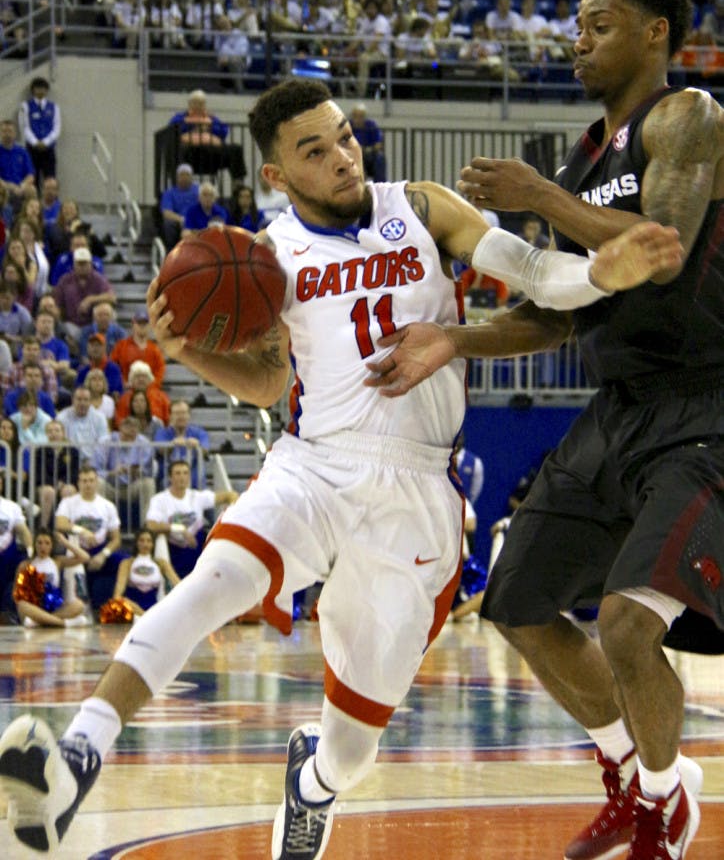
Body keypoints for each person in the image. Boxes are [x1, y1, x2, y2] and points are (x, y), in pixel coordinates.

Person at [0, 77, 683, 859]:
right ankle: (72, 760)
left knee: (353, 748)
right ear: (276, 174)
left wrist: (598, 274)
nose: (342, 157)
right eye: (315, 151)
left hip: (417, 496)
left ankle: (316, 782)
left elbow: (529, 269)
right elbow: (268, 383)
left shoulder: (420, 208)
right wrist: (188, 353)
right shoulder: (267, 256)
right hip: (313, 468)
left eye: (345, 138)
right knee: (208, 587)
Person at [364, 0, 722, 860]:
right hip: (616, 410)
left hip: (703, 409)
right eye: (577, 26)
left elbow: (664, 248)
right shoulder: (582, 157)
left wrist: (538, 198)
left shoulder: (688, 117)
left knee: (631, 626)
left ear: (654, 33)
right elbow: (559, 313)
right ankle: (637, 776)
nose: (579, 41)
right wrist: (451, 340)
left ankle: (661, 813)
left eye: (600, 25)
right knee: (516, 601)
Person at [146, 459, 237, 579]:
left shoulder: (196, 496)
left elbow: (231, 495)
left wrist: (231, 510)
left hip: (195, 550)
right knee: (160, 539)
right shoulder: (159, 499)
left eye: (185, 473)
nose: (182, 477)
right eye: (177, 473)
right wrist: (179, 528)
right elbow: (151, 525)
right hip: (173, 552)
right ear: (170, 477)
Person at [54, 465, 124, 611]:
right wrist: (81, 531)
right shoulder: (68, 503)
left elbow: (116, 539)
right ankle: (59, 606)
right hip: (75, 550)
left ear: (97, 482)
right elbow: (60, 524)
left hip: (99, 549)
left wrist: (103, 555)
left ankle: (116, 605)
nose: (88, 484)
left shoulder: (107, 506)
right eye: (84, 481)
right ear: (78, 483)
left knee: (125, 562)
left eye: (91, 480)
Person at [14, 529, 90, 628]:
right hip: (34, 607)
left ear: (52, 546)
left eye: (47, 543)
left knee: (79, 605)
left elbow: (85, 557)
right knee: (22, 605)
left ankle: (39, 622)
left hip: (54, 606)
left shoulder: (57, 562)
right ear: (34, 544)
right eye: (39, 543)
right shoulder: (25, 565)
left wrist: (64, 542)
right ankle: (64, 623)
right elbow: (16, 593)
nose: (43, 547)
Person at [168, 89, 246, 182]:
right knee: (177, 151)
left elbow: (223, 131)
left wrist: (209, 127)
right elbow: (173, 128)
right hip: (190, 152)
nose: (198, 106)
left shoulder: (211, 118)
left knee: (235, 149)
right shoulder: (180, 117)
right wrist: (193, 126)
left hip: (210, 152)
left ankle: (238, 184)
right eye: (195, 103)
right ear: (189, 104)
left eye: (201, 103)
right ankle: (180, 183)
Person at [95, 415, 155, 532]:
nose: (129, 440)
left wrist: (136, 472)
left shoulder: (143, 443)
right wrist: (112, 473)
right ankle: (101, 529)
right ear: (120, 429)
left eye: (132, 437)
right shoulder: (106, 441)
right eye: (126, 436)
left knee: (148, 483)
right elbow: (95, 469)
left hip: (132, 485)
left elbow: (149, 470)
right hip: (110, 485)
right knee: (98, 482)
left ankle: (147, 530)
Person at [53, 246, 117, 344]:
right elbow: (57, 302)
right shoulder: (65, 280)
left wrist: (90, 299)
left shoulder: (98, 279)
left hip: (94, 325)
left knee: (108, 310)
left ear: (90, 264)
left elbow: (112, 297)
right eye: (79, 263)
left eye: (85, 263)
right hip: (71, 324)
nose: (82, 266)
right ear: (74, 264)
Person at [110, 527, 180, 616]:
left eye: (149, 541)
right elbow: (117, 595)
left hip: (154, 610)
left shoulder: (161, 563)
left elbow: (179, 585)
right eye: (141, 540)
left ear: (153, 544)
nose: (145, 544)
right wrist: (142, 613)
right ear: (136, 543)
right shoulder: (126, 563)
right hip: (133, 610)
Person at [34, 418, 80, 531]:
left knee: (68, 490)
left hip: (66, 484)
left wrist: (63, 482)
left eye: (57, 430)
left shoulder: (73, 451)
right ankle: (43, 528)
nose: (53, 434)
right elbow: (39, 473)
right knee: (49, 491)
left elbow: (74, 472)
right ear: (46, 434)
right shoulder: (40, 451)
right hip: (46, 484)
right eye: (50, 431)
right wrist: (54, 483)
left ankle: (67, 529)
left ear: (63, 433)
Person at [153, 397, 209, 488]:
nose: (181, 416)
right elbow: (160, 450)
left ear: (189, 415)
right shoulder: (162, 432)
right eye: (177, 413)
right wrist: (172, 445)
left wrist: (197, 445)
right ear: (170, 416)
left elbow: (205, 450)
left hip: (195, 482)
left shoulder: (199, 432)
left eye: (184, 413)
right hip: (168, 482)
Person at [18, 77, 62, 184]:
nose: (40, 90)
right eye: (38, 88)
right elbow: (24, 127)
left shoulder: (54, 107)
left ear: (47, 90)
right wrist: (35, 142)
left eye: (43, 88)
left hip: (49, 149)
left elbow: (57, 127)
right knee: (33, 180)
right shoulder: (25, 106)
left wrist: (46, 142)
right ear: (33, 90)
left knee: (50, 179)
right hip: (32, 149)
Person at [110, 307, 165, 387]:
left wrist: (151, 386)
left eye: (145, 324)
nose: (142, 326)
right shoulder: (121, 346)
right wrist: (123, 383)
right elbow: (113, 366)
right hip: (126, 389)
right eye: (139, 323)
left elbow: (160, 371)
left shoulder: (155, 350)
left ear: (149, 326)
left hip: (149, 390)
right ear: (133, 325)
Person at [57, 385, 110, 465]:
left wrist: (92, 463)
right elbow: (60, 443)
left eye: (86, 400)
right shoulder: (62, 417)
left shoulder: (100, 418)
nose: (82, 403)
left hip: (94, 464)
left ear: (90, 401)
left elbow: (103, 443)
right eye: (79, 399)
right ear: (72, 400)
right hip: (69, 463)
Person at [0, 484, 32, 620]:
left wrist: (30, 553)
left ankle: (10, 611)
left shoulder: (11, 507)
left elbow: (23, 531)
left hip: (8, 556)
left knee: (25, 566)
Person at [114, 360, 170, 427]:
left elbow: (169, 419)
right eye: (137, 376)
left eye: (144, 376)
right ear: (132, 380)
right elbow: (119, 421)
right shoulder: (124, 398)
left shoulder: (161, 397)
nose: (141, 379)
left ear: (149, 379)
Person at [0, 120, 36, 219]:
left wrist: (22, 186)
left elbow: (30, 175)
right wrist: (8, 186)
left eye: (10, 131)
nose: (7, 134)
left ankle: (29, 221)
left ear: (15, 133)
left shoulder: (22, 152)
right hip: (3, 187)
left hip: (20, 187)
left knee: (32, 190)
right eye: (4, 131)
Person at [159, 162, 199, 249]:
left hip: (197, 220)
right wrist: (181, 219)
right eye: (182, 175)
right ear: (177, 177)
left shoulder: (199, 191)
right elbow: (166, 212)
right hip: (179, 221)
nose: (184, 177)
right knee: (168, 224)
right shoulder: (169, 193)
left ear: (192, 177)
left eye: (187, 175)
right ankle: (172, 250)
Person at [76, 331, 124, 399]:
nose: (95, 348)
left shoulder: (114, 369)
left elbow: (111, 391)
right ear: (88, 348)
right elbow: (78, 390)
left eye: (98, 345)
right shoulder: (83, 371)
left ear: (105, 348)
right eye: (92, 345)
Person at [349, 103, 387, 183]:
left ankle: (380, 185)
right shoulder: (348, 126)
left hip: (369, 155)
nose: (358, 119)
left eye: (361, 116)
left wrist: (366, 149)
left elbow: (378, 145)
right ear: (352, 116)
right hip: (353, 156)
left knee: (380, 158)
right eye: (356, 116)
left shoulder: (371, 125)